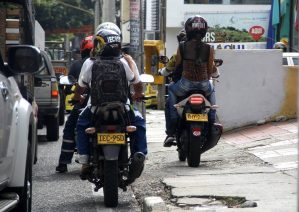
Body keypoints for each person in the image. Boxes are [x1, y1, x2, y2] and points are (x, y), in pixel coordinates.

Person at [73, 27, 147, 180]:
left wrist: (77, 96)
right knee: (139, 123)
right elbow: (135, 81)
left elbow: (81, 85)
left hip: (95, 108)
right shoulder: (123, 61)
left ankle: (85, 160)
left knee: (81, 124)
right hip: (123, 107)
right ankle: (139, 154)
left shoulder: (90, 62)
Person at [163, 15, 219, 147]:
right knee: (212, 93)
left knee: (171, 89)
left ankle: (171, 131)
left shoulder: (182, 46)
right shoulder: (209, 48)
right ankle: (212, 122)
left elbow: (177, 66)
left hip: (185, 84)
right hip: (204, 85)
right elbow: (211, 68)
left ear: (188, 30)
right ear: (204, 31)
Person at [55, 35, 93, 173]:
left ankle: (63, 162)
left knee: (70, 130)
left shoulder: (78, 64)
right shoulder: (115, 62)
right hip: (107, 105)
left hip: (85, 106)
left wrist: (75, 96)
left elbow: (71, 86)